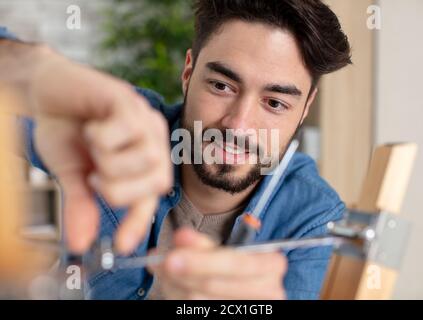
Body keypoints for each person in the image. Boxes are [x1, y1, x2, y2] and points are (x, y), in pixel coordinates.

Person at [0, 0, 351, 299]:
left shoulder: (313, 217)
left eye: (274, 103)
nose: (238, 125)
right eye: (221, 85)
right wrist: (25, 70)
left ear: (305, 108)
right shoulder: (117, 127)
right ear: (188, 72)